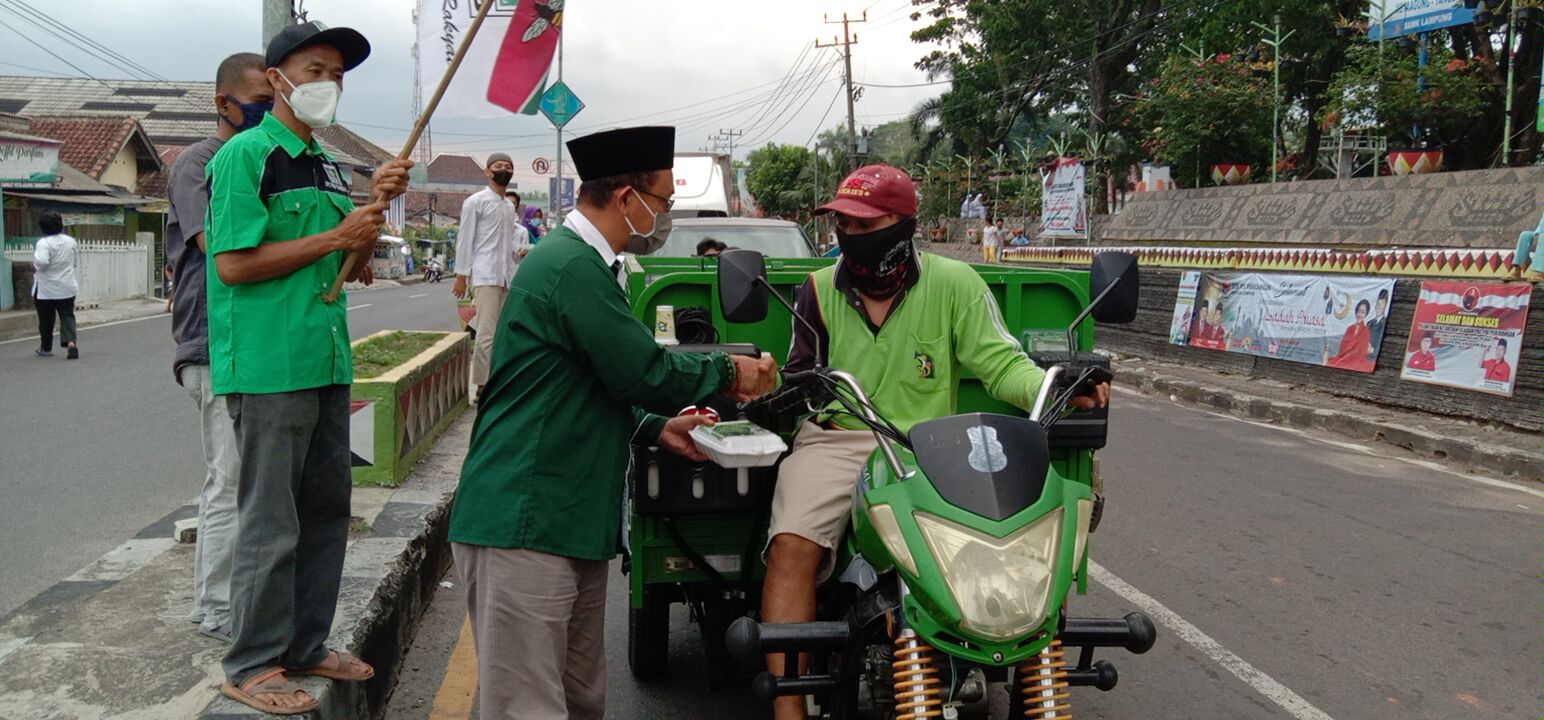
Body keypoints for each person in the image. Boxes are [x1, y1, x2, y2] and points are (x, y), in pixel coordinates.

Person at [447, 126, 777, 720]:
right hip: (524, 518)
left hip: (569, 520)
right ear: (628, 198)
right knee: (528, 707)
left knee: (579, 701)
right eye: (665, 201)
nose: (667, 215)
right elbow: (642, 369)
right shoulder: (568, 267)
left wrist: (656, 428)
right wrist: (732, 373)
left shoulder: (597, 269)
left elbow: (588, 384)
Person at [761, 164, 1109, 720]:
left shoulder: (955, 282)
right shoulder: (818, 289)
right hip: (840, 438)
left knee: (1031, 540)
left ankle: (1023, 674)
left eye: (863, 223)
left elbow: (1001, 365)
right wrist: (788, 390)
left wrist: (1055, 384)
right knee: (791, 546)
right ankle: (789, 710)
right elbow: (801, 371)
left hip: (927, 447)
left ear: (902, 225)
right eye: (842, 225)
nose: (849, 236)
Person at [205, 21, 412, 714]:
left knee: (326, 509)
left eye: (338, 74)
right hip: (268, 365)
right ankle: (253, 661)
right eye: (316, 69)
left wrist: (370, 214)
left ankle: (304, 643)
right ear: (276, 79)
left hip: (325, 359)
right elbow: (232, 265)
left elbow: (345, 273)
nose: (329, 84)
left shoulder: (324, 164)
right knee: (270, 520)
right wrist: (336, 232)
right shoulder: (246, 156)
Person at [166, 50, 272, 645]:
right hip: (210, 342)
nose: (264, 110)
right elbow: (220, 247)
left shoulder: (258, 159)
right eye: (258, 99)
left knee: (248, 482)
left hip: (252, 343)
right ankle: (215, 606)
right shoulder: (198, 164)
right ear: (223, 103)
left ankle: (233, 600)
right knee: (226, 479)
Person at [453, 153, 529, 405]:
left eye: (508, 167)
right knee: (486, 332)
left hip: (506, 277)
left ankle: (497, 380)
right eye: (499, 166)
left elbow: (508, 245)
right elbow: (465, 239)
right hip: (484, 274)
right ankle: (482, 386)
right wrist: (461, 274)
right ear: (488, 172)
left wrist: (518, 258)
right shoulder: (475, 202)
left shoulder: (508, 207)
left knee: (502, 334)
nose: (504, 170)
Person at [31, 212, 78, 359]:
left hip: (46, 288)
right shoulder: (71, 241)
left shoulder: (44, 243)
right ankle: (71, 342)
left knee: (46, 319)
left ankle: (46, 347)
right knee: (67, 315)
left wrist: (35, 265)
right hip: (67, 285)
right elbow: (75, 262)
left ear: (43, 228)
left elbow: (43, 261)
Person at [1328, 300, 1375, 372]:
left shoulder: (1366, 331)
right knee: (1330, 363)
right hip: (1344, 358)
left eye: (1363, 312)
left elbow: (1362, 351)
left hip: (1357, 361)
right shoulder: (1350, 328)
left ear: (1366, 314)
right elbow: (1342, 348)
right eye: (1359, 311)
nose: (1360, 315)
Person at [1366, 288, 1390, 360]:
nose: (1379, 307)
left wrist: (1372, 350)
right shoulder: (1369, 323)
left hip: (1373, 359)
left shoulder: (1384, 323)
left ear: (1385, 305)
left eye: (1382, 304)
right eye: (1378, 304)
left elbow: (1380, 341)